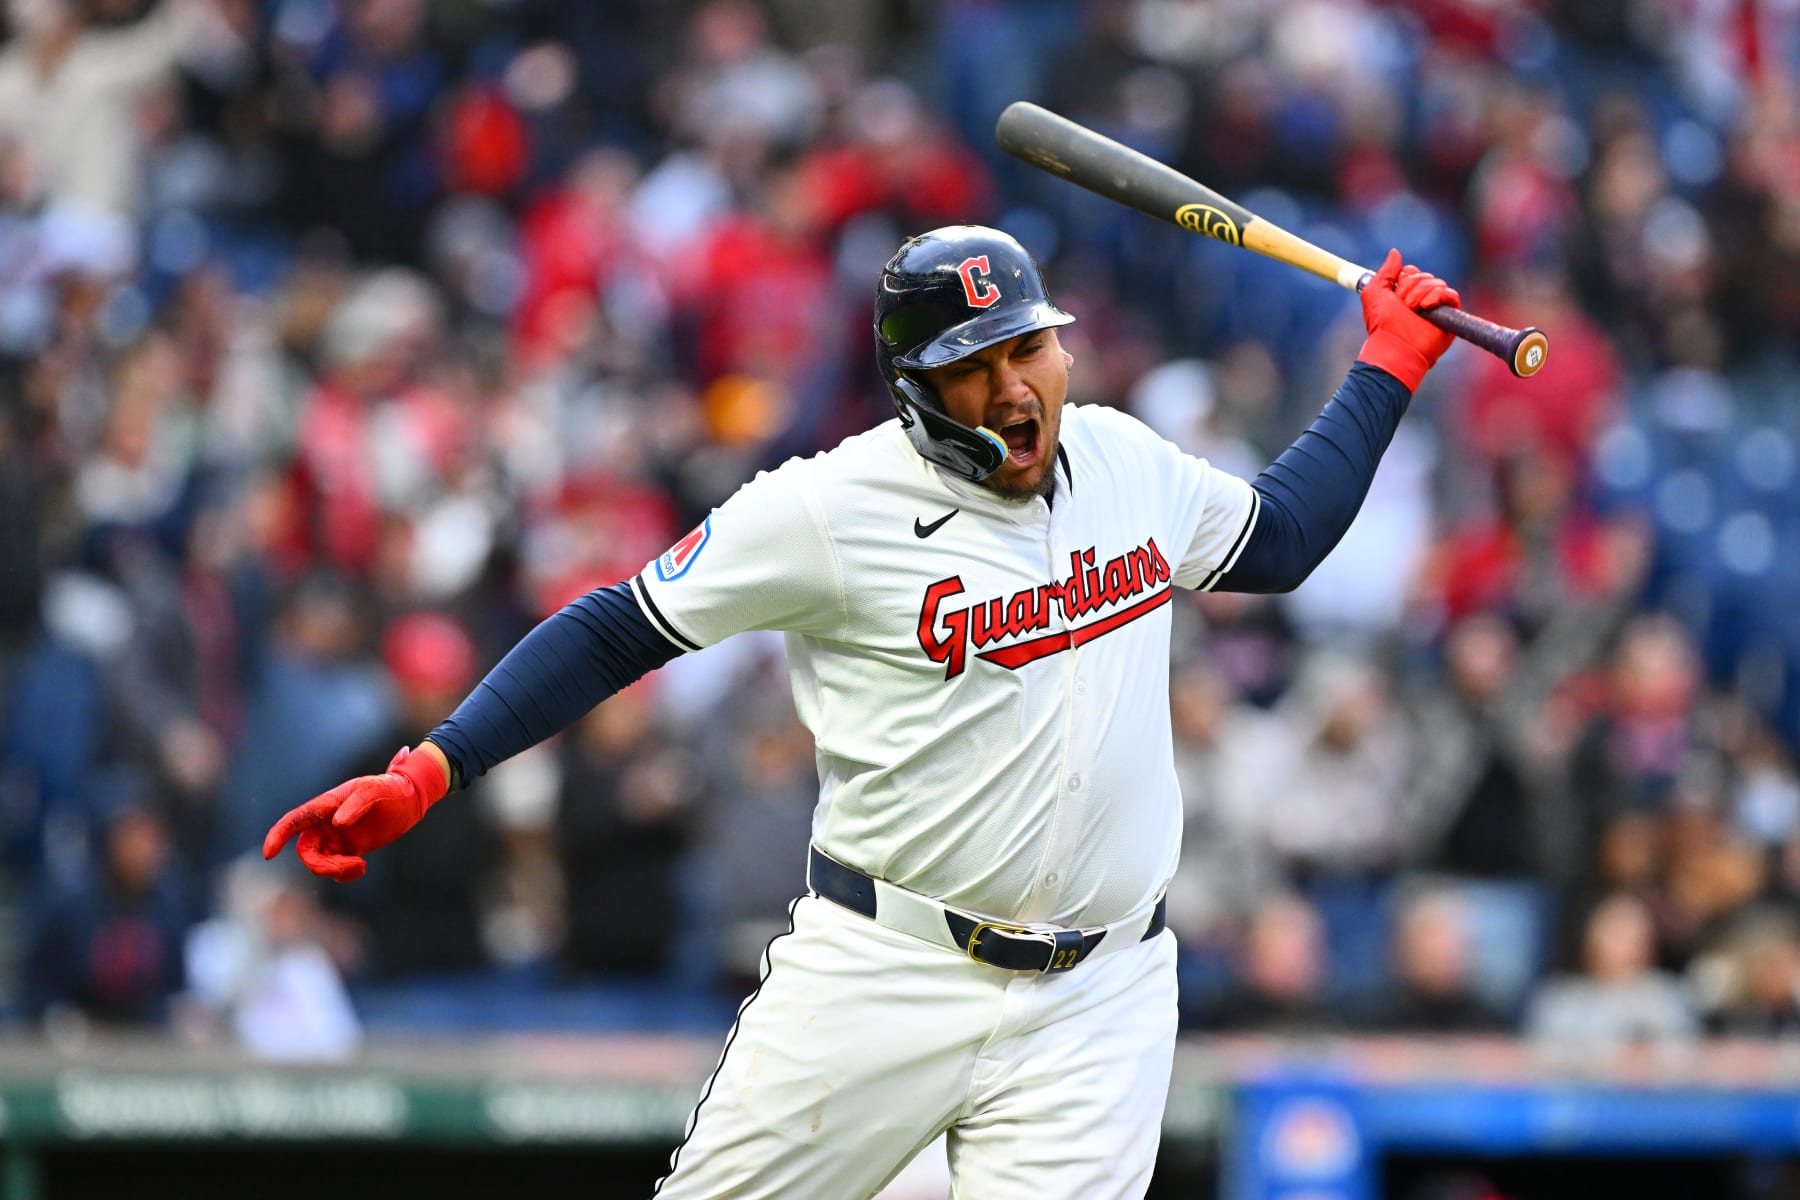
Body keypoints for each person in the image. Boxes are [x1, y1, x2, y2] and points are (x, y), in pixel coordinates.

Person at [264, 225, 1461, 1197]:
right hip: (890, 966)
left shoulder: (1127, 462)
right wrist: (436, 766)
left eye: (1027, 350)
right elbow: (618, 623)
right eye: (972, 368)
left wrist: (1388, 367)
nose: (1012, 387)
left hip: (1102, 992)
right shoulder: (831, 508)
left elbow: (1283, 536)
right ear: (915, 391)